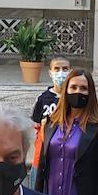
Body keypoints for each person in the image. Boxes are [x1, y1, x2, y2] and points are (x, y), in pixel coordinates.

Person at [29, 55, 69, 186]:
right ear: (50, 72)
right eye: (57, 69)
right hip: (44, 153)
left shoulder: (73, 98)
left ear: (70, 71)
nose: (61, 73)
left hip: (68, 154)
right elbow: (36, 126)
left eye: (65, 69)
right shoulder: (43, 99)